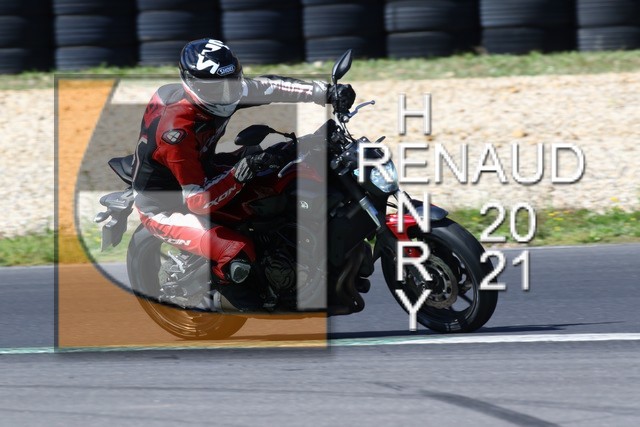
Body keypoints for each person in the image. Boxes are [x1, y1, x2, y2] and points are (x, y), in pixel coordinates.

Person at [131, 38, 356, 294]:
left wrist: (325, 92)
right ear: (192, 85)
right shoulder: (176, 133)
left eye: (232, 82)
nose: (227, 94)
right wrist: (241, 171)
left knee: (279, 167)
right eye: (218, 88)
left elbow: (271, 87)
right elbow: (198, 201)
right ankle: (235, 299)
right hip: (166, 203)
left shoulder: (223, 89)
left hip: (202, 167)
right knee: (236, 253)